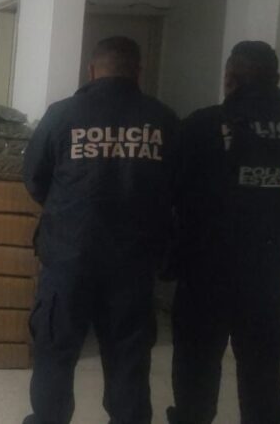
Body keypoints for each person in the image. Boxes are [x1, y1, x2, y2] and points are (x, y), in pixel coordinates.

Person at [22, 36, 181, 424]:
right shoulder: (163, 119)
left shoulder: (62, 115)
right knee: (129, 358)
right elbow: (178, 187)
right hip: (134, 263)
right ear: (138, 72)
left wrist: (67, 211)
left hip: (69, 257)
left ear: (91, 70)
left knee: (55, 354)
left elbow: (34, 178)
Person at [167, 41, 280, 424]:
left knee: (195, 373)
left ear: (230, 79)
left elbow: (170, 191)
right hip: (267, 276)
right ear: (277, 79)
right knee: (262, 374)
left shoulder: (202, 126)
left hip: (204, 272)